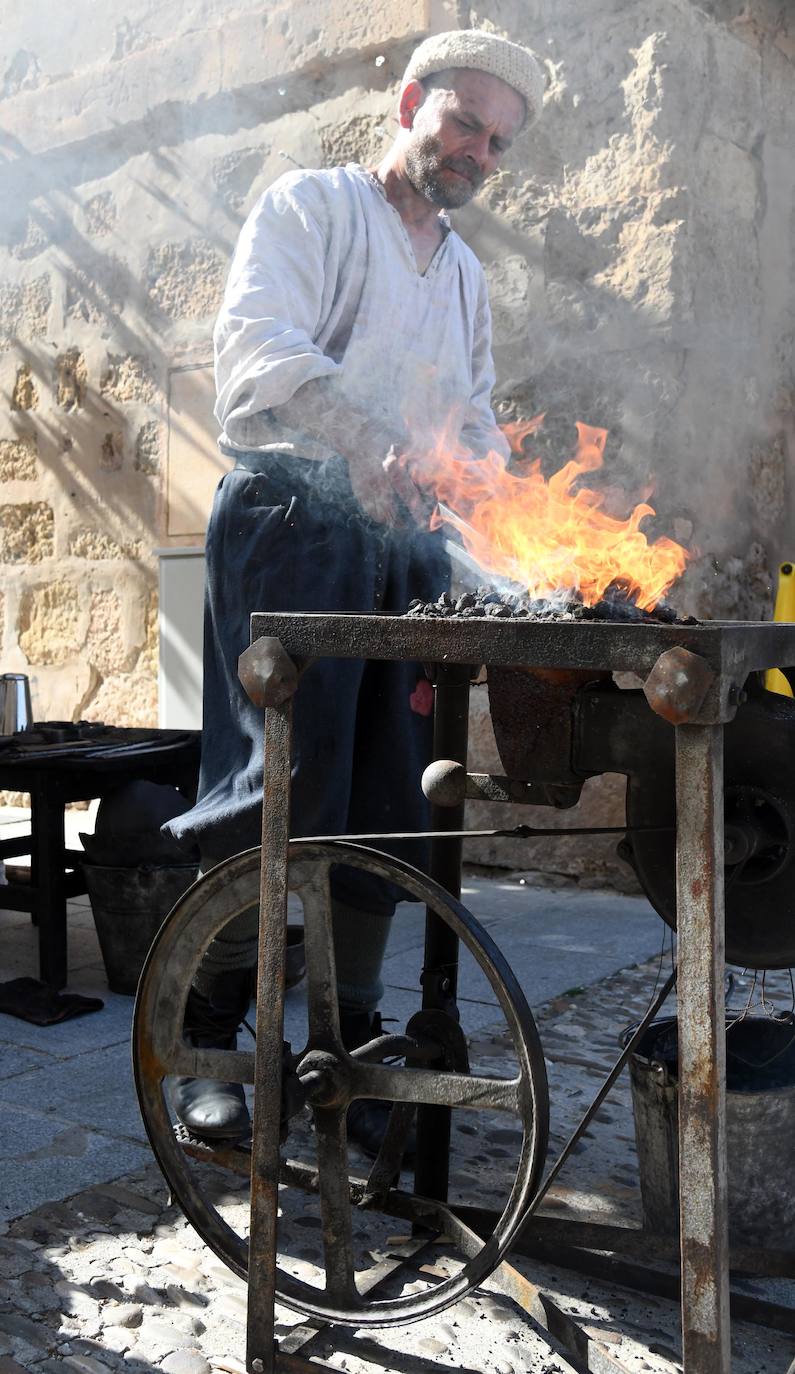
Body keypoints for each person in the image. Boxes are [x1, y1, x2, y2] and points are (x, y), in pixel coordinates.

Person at [165, 29, 544, 1153]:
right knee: (280, 780)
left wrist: (509, 529)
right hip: (295, 519)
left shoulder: (467, 274)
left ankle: (355, 1045)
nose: (478, 150)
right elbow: (257, 351)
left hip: (407, 549)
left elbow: (473, 426)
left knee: (392, 791)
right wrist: (365, 439)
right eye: (464, 123)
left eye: (497, 140)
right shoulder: (311, 207)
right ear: (411, 105)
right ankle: (214, 1043)